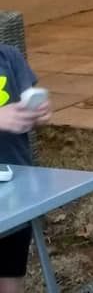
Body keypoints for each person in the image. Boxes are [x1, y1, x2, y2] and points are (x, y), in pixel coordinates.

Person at [0, 43, 52, 293]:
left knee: (10, 273)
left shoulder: (9, 57)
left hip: (16, 192)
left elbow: (26, 114)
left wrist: (36, 114)